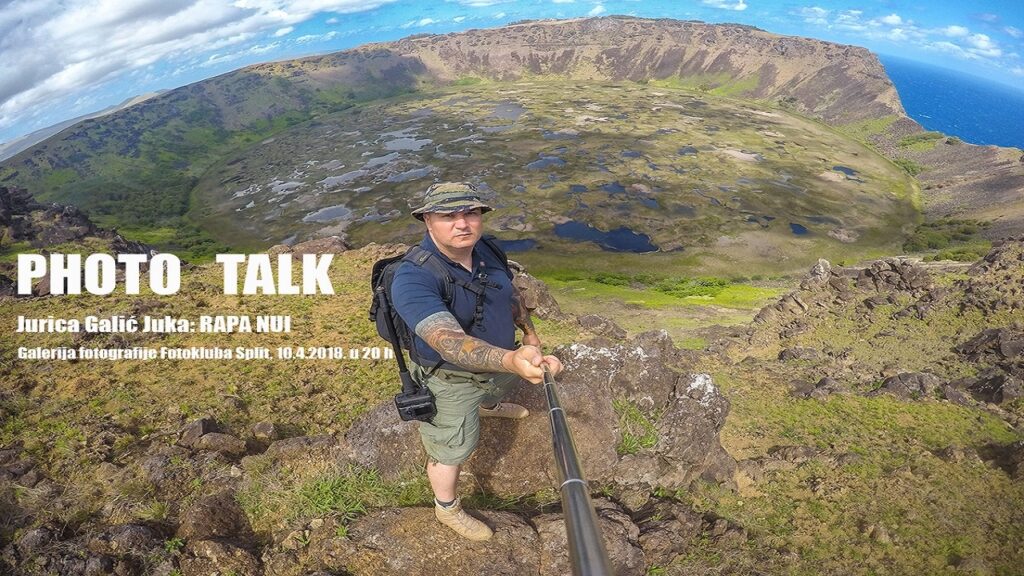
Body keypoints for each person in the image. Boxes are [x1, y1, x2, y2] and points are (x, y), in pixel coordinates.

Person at [391, 181, 563, 541]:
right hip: (450, 378)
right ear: (427, 221)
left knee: (496, 386)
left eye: (470, 212)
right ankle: (446, 508)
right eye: (448, 216)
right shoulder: (412, 278)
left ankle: (488, 405)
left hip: (500, 363)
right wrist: (513, 360)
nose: (462, 223)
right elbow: (450, 343)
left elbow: (508, 293)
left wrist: (529, 336)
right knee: (450, 450)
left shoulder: (486, 249)